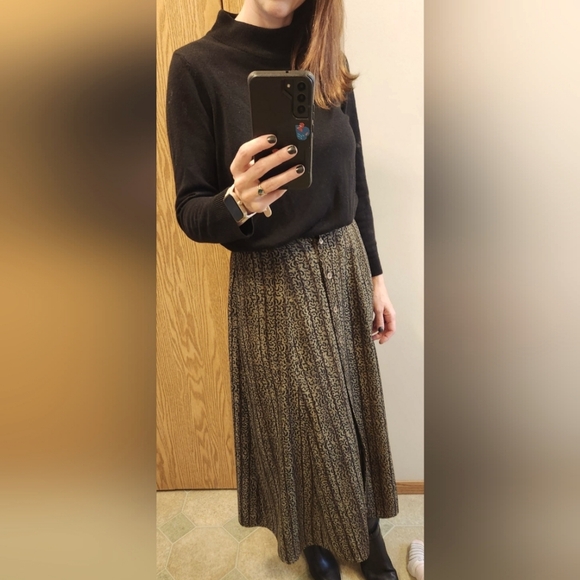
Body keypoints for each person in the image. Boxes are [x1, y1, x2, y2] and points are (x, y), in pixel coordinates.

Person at [166, 1, 400, 578]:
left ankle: (363, 535)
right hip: (271, 280)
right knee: (298, 426)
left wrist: (375, 276)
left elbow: (355, 177)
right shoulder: (197, 66)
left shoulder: (323, 57)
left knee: (351, 414)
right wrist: (237, 201)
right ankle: (317, 539)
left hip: (343, 265)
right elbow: (191, 210)